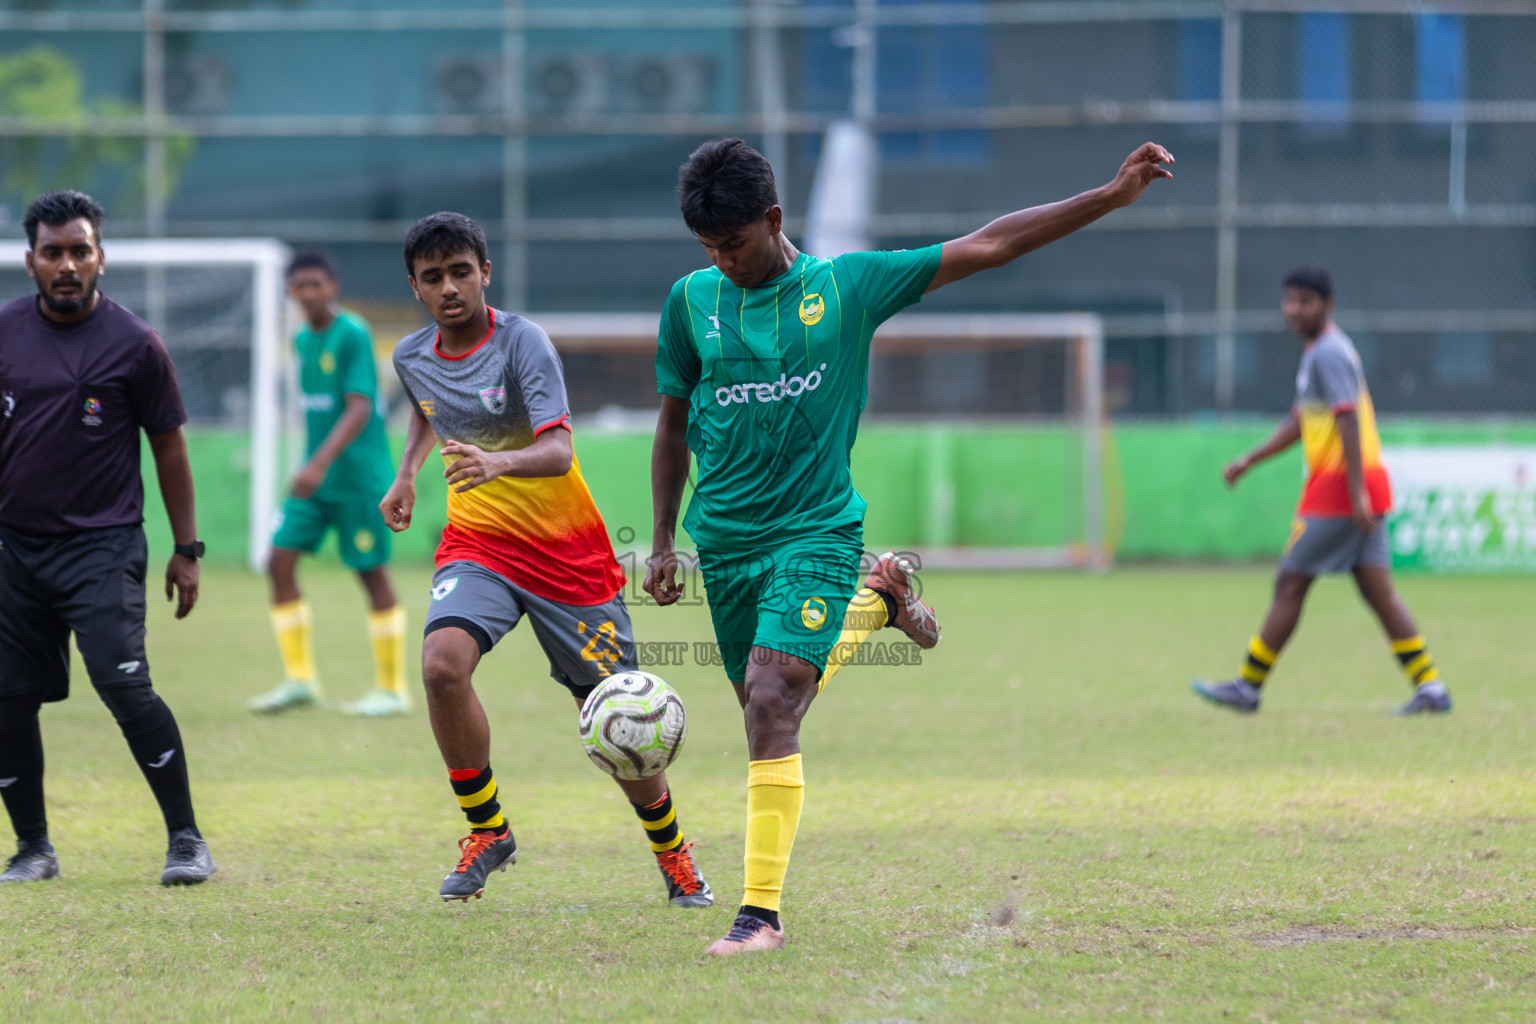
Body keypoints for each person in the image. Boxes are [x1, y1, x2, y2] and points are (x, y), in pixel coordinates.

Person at [645, 137, 1176, 955]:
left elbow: (990, 245)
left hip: (817, 530)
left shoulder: (847, 287)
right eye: (709, 247)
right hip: (724, 545)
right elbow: (673, 423)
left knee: (772, 696)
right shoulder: (690, 302)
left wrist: (1107, 196)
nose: (724, 260)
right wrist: (660, 539)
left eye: (735, 244)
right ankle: (883, 600)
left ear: (775, 220)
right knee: (772, 704)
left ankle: (759, 917)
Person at [379, 211, 711, 906]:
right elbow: (425, 402)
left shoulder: (522, 343)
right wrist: (407, 471)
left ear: (485, 273)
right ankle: (487, 830)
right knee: (442, 667)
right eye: (432, 277)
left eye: (461, 272)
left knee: (617, 711)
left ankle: (675, 854)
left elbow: (559, 450)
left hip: (569, 557)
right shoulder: (410, 356)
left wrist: (494, 464)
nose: (449, 288)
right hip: (479, 546)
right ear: (414, 286)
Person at [0, 190, 214, 885]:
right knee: (6, 697)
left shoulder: (135, 343)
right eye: (53, 252)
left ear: (101, 257)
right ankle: (33, 848)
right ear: (30, 261)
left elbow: (171, 452)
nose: (67, 264)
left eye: (80, 251)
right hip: (13, 549)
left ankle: (186, 841)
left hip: (103, 545)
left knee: (126, 686)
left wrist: (187, 550)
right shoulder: (3, 332)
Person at [1192, 267, 1452, 717]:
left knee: (1290, 581)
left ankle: (1247, 687)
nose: (1294, 309)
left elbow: (1347, 421)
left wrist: (1354, 497)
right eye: (1289, 300)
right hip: (1360, 483)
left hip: (1339, 489)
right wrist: (1250, 459)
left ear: (1327, 306)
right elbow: (1301, 420)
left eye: (1305, 301)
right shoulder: (1320, 352)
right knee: (1378, 591)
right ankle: (1430, 688)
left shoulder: (1328, 353)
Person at [248, 249, 410, 717]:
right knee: (279, 561)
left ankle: (392, 688)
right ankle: (300, 680)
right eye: (300, 286)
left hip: (358, 480)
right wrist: (313, 468)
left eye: (317, 284)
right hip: (314, 481)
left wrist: (316, 463)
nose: (309, 293)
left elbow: (360, 406)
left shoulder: (353, 334)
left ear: (332, 287)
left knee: (370, 572)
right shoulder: (301, 340)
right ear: (289, 293)